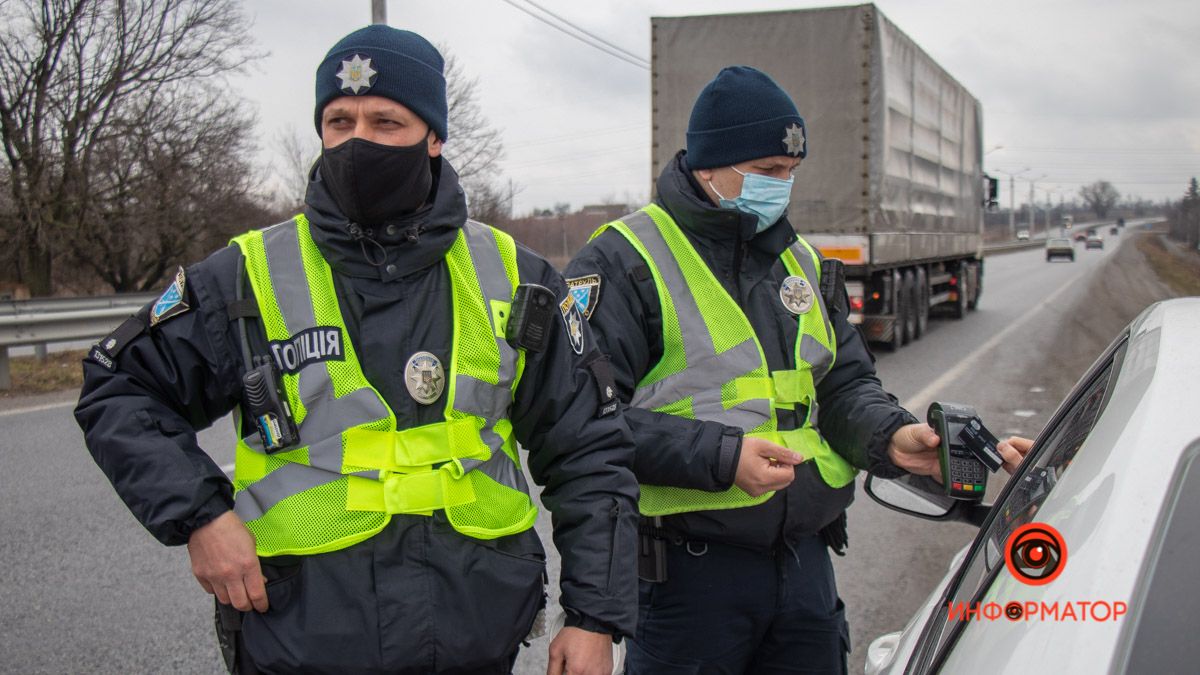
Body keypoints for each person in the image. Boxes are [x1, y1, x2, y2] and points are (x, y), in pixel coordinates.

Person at [75, 25, 637, 675]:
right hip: (298, 634)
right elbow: (118, 386)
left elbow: (591, 447)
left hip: (473, 636)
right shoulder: (245, 275)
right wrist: (199, 516)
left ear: (434, 136)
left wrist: (596, 617)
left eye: (385, 120)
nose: (357, 140)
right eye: (339, 120)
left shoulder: (518, 276)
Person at [563, 65, 991, 674]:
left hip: (805, 569)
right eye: (767, 172)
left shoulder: (804, 263)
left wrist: (891, 437)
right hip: (689, 580)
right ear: (708, 165)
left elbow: (843, 384)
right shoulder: (622, 259)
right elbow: (585, 424)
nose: (781, 188)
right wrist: (721, 457)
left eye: (790, 174)